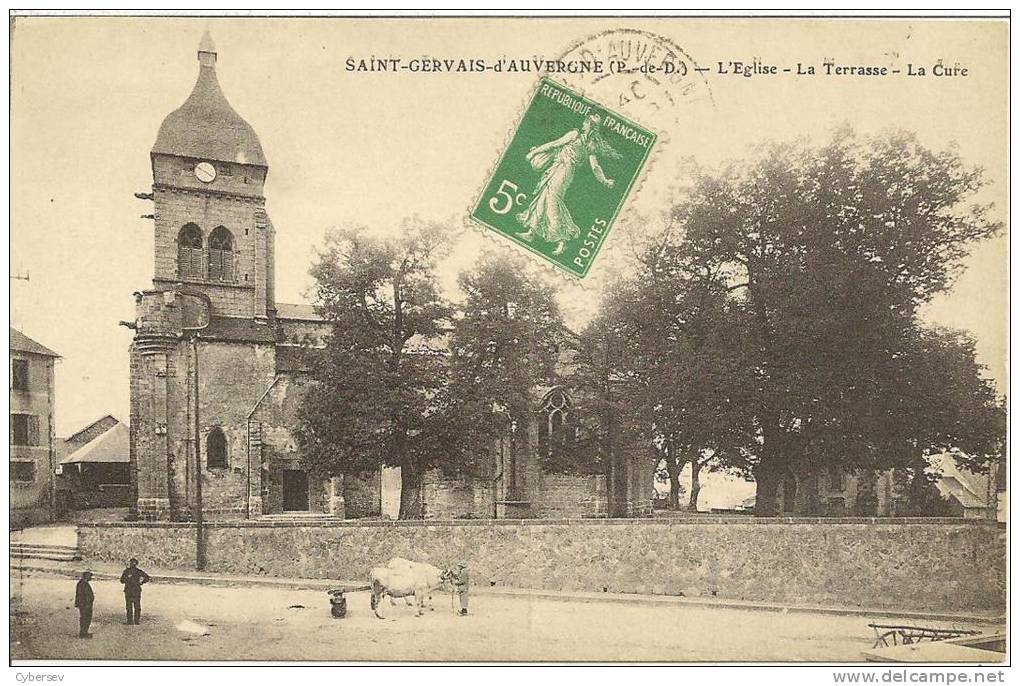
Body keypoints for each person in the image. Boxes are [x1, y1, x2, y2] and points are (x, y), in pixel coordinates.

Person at [515, 113, 620, 255]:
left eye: (586, 122)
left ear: (589, 125)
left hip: (563, 171)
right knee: (543, 196)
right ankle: (531, 232)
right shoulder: (590, 143)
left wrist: (533, 153)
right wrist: (605, 180)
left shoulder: (576, 135)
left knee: (552, 200)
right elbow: (594, 166)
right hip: (559, 169)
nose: (583, 123)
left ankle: (562, 239)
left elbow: (554, 144)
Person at [119, 558, 150, 625]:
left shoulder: (127, 571)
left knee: (131, 606)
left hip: (130, 590)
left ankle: (131, 621)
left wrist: (128, 578)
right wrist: (141, 582)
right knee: (135, 606)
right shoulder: (137, 571)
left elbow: (122, 580)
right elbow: (147, 577)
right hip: (135, 590)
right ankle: (135, 621)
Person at [74, 570, 94, 638]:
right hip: (85, 605)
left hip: (86, 604)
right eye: (90, 576)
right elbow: (82, 595)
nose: (91, 577)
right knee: (85, 618)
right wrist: (86, 604)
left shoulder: (83, 583)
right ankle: (83, 633)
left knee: (86, 618)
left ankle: (84, 632)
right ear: (86, 576)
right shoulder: (82, 584)